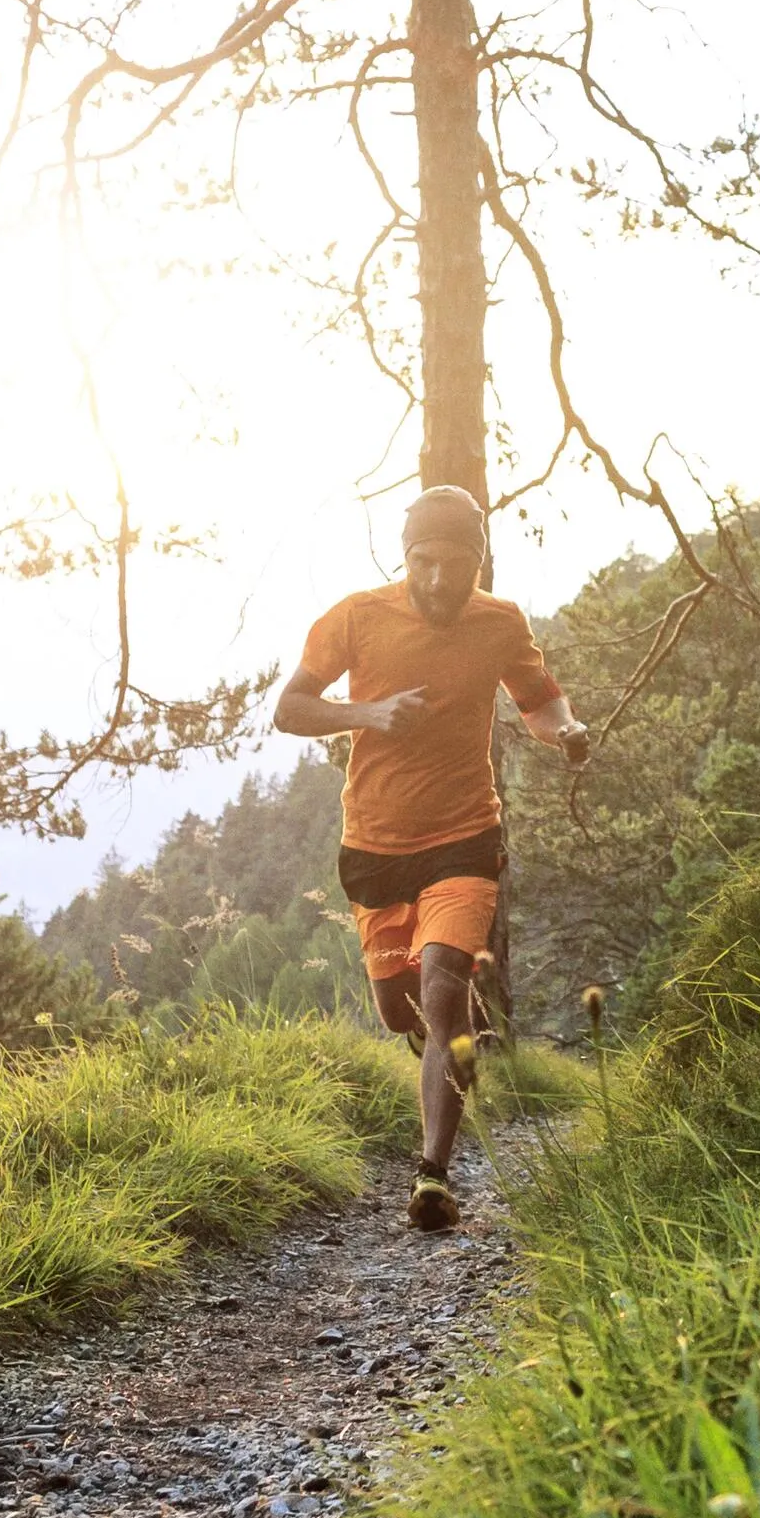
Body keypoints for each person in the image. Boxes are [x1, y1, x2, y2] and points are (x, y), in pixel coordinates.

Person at [274, 485, 591, 1232]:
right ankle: (440, 1039)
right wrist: (365, 714)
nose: (440, 582)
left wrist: (567, 731)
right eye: (424, 563)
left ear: (478, 563)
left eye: (456, 566)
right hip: (375, 845)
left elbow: (540, 701)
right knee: (401, 1009)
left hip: (463, 835)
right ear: (404, 556)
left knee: (443, 979)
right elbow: (289, 708)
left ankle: (432, 1178)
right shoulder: (356, 616)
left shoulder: (499, 623)